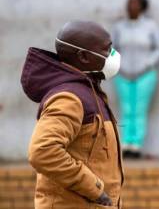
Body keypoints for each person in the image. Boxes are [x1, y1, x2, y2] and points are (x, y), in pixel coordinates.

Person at [21, 21, 124, 208]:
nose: (113, 56)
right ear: (83, 57)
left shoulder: (90, 90)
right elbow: (43, 151)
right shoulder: (69, 98)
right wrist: (95, 189)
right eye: (107, 50)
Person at [112, 0, 159, 159]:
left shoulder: (151, 26)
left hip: (145, 75)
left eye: (135, 3)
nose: (131, 6)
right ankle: (126, 144)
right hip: (123, 74)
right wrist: (119, 66)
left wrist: (148, 65)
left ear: (142, 6)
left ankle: (136, 145)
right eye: (129, 2)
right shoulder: (119, 27)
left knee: (139, 110)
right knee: (126, 109)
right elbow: (112, 49)